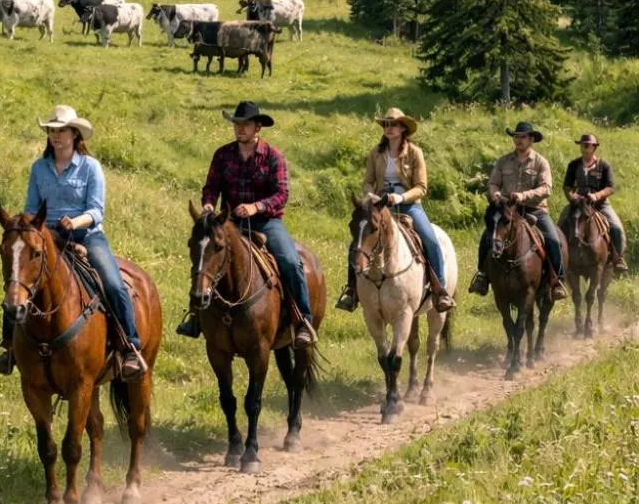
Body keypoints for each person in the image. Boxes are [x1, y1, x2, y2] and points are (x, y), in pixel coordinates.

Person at [0, 105, 147, 379]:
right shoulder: (39, 169)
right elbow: (32, 208)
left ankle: (130, 346)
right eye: (52, 131)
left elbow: (96, 211)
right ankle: (8, 347)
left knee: (112, 283)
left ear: (74, 134)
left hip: (87, 235)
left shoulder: (90, 167)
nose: (55, 136)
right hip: (47, 237)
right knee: (17, 281)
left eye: (61, 131)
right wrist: (24, 225)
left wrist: (76, 222)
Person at [176, 100, 316, 345]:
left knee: (291, 261)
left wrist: (256, 207)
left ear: (257, 128)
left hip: (266, 222)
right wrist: (208, 204)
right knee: (204, 256)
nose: (240, 129)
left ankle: (302, 320)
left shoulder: (273, 156)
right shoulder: (222, 155)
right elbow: (211, 187)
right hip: (229, 224)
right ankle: (196, 315)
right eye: (237, 124)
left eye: (246, 124)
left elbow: (281, 194)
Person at [335, 107, 454, 313]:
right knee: (357, 242)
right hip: (380, 206)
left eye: (393, 125)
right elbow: (368, 181)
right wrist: (370, 196)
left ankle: (439, 289)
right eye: (386, 125)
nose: (389, 128)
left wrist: (401, 197)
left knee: (430, 239)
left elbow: (421, 187)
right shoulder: (375, 152)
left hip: (409, 205)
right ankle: (352, 290)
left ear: (403, 128)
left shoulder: (415, 153)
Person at [469, 120, 567, 299]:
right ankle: (482, 276)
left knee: (553, 239)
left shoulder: (541, 162)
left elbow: (546, 188)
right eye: (516, 136)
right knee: (487, 236)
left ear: (531, 139)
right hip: (508, 210)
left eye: (523, 137)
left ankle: (557, 281)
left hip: (535, 210)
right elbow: (493, 183)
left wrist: (524, 195)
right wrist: (495, 193)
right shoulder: (503, 161)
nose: (518, 140)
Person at [561, 133, 627, 273]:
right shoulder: (573, 165)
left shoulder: (604, 166)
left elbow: (610, 188)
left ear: (594, 147)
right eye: (582, 145)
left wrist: (596, 196)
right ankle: (562, 257)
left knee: (617, 227)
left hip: (600, 205)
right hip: (578, 204)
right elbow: (567, 187)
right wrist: (572, 197)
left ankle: (618, 258)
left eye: (587, 145)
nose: (584, 147)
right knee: (561, 222)